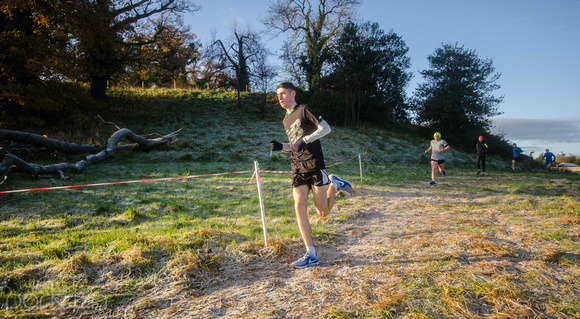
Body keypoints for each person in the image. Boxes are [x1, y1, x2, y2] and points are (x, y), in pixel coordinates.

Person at [270, 82, 353, 269]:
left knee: (322, 212)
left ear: (293, 93)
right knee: (299, 207)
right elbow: (295, 145)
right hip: (297, 167)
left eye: (283, 94)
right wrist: (281, 146)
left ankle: (335, 184)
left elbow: (326, 128)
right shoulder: (285, 120)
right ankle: (311, 254)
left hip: (315, 165)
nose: (280, 98)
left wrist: (305, 140)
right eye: (278, 95)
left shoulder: (304, 110)